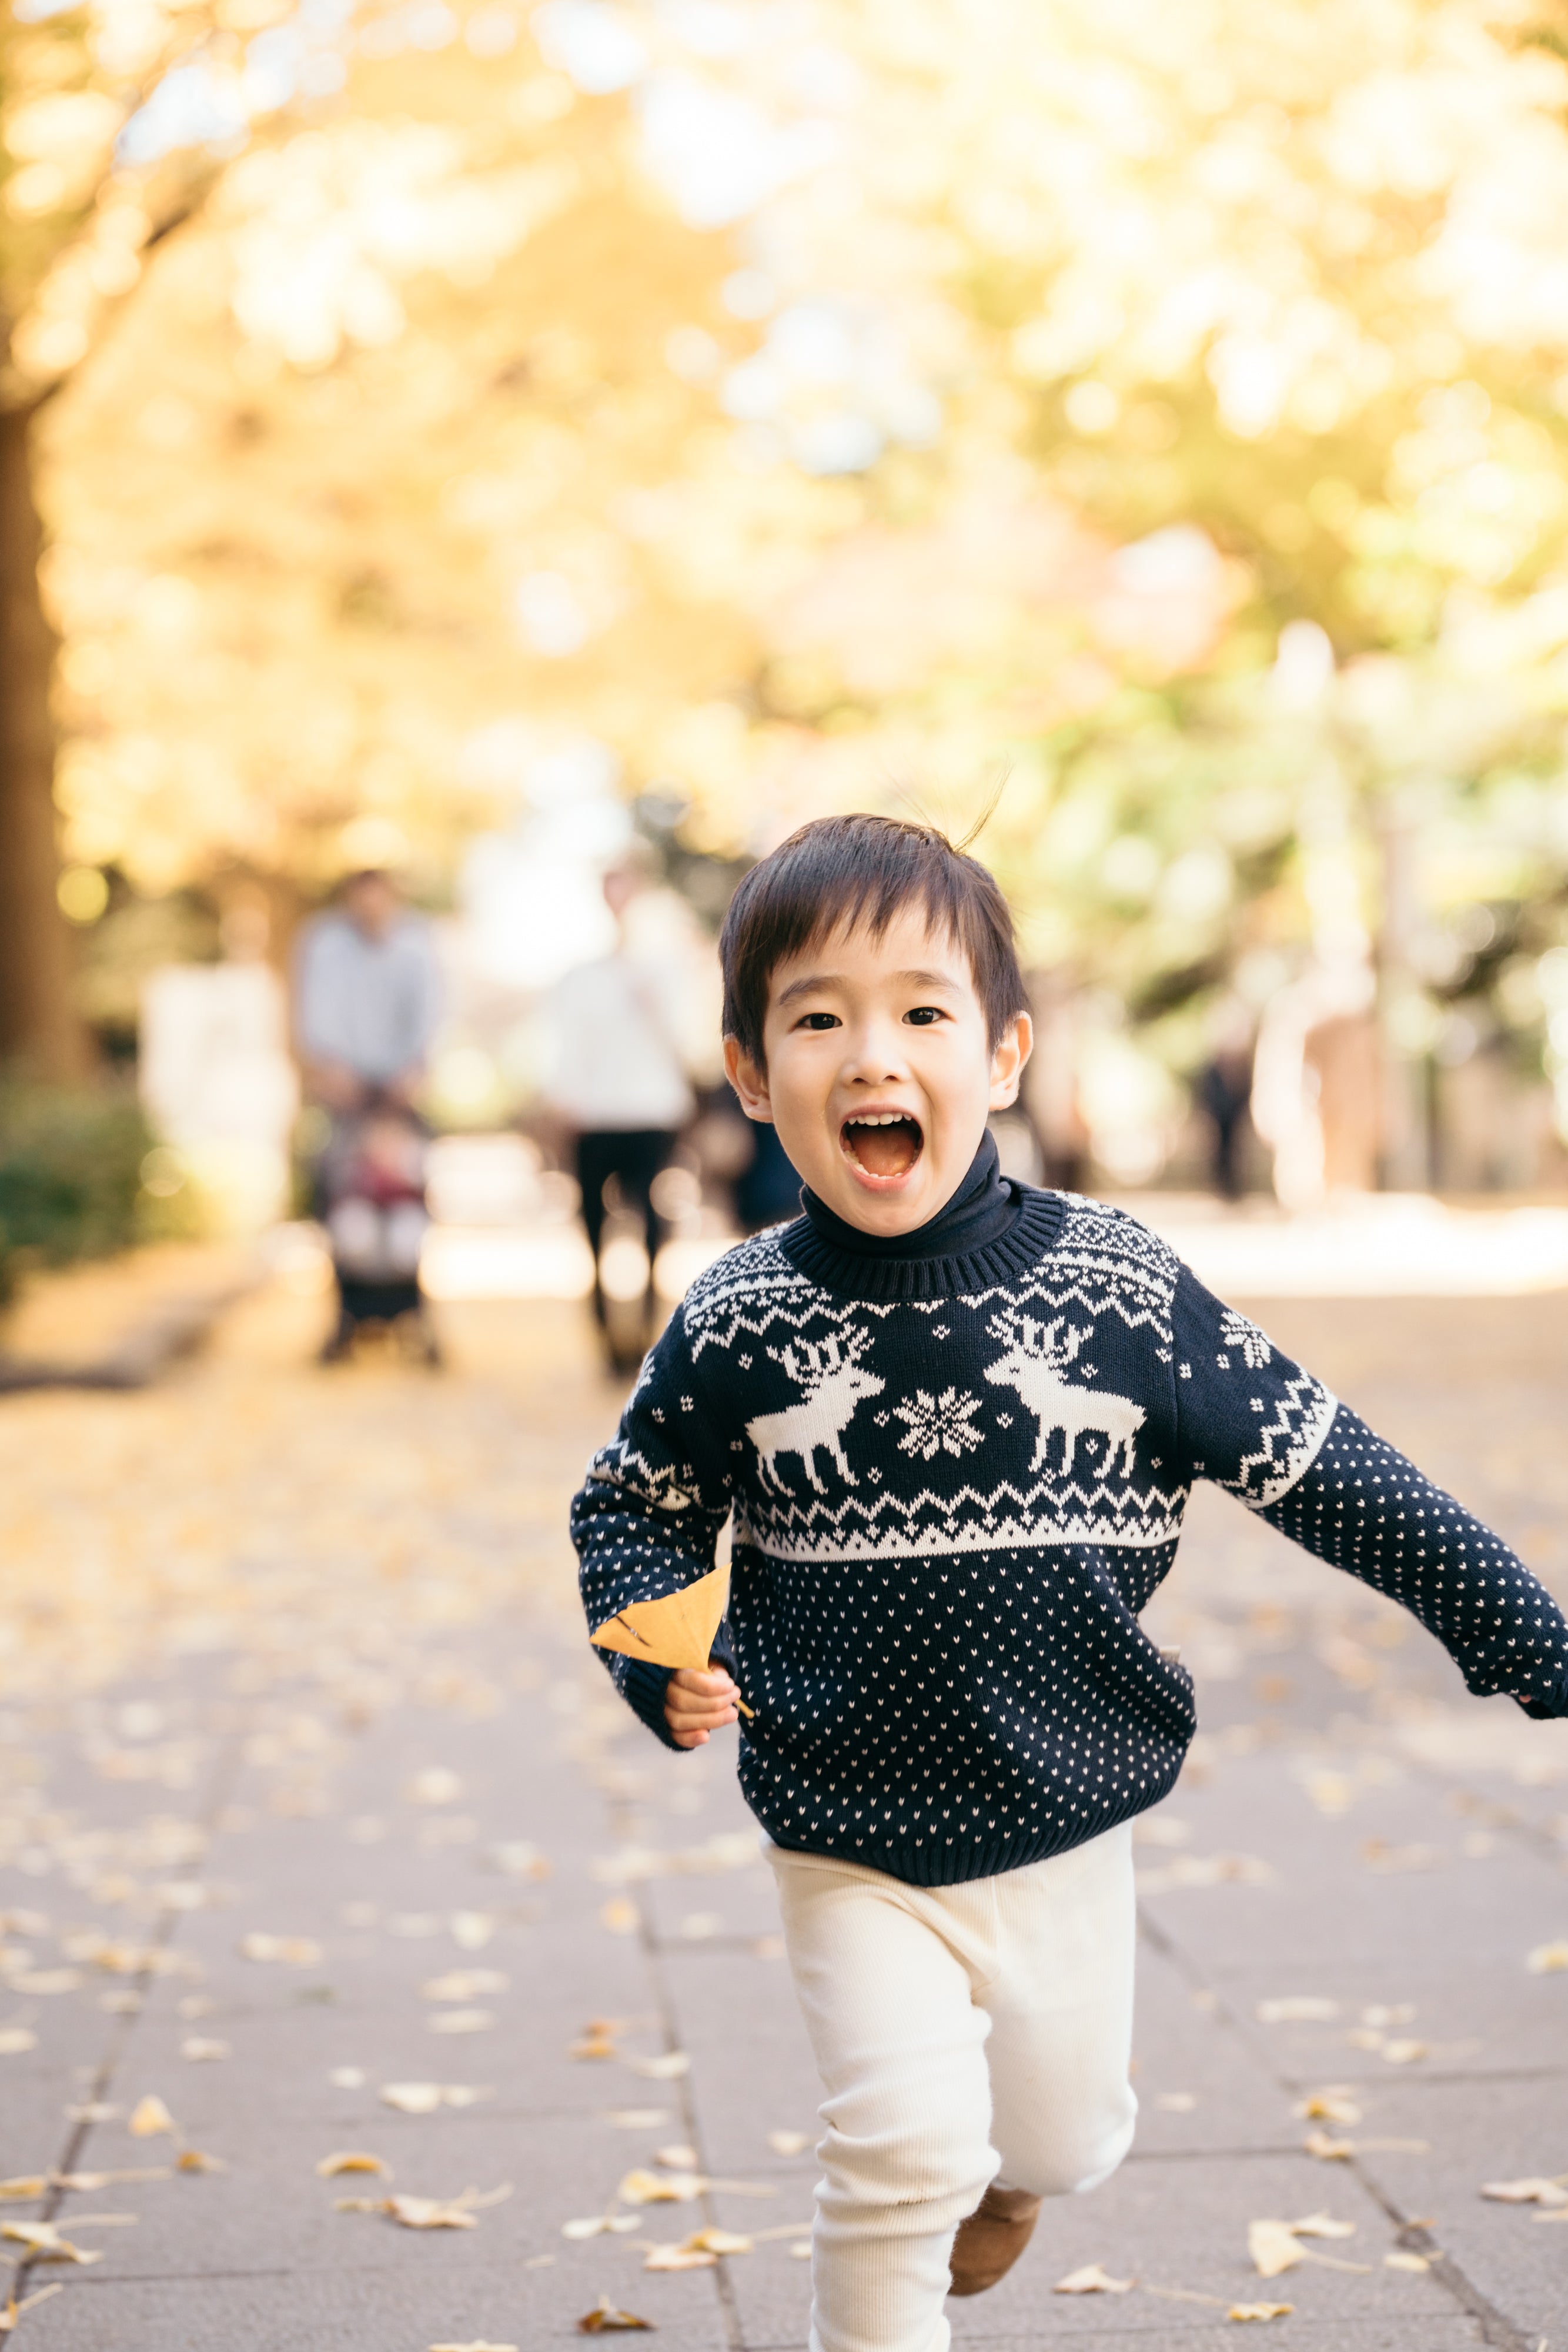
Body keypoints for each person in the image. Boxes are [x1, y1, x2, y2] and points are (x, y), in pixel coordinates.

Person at [570, 814, 1568, 2352]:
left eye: (921, 1012)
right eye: (818, 1018)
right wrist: (655, 1656)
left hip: (1064, 1803)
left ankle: (1019, 2182)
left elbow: (1327, 1466)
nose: (871, 1053)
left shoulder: (1115, 1289)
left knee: (1050, 2136)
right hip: (844, 1818)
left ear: (1006, 1053)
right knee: (896, 2149)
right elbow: (630, 1504)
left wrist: (1517, 1630)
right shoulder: (737, 1319)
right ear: (753, 1077)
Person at [544, 858, 696, 1371]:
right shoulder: (580, 977)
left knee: (653, 1225)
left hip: (651, 1111)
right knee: (592, 1227)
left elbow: (688, 1041)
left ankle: (648, 1331)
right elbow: (567, 1048)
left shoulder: (665, 970)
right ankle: (606, 1337)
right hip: (593, 1116)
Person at [294, 869, 443, 1360]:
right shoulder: (325, 946)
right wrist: (332, 1069)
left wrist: (414, 1068)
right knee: (340, 1202)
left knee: (410, 1202)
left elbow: (431, 1013)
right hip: (345, 1095)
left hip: (402, 1095)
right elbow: (317, 1014)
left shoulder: (417, 946)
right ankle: (344, 1315)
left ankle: (416, 1316)